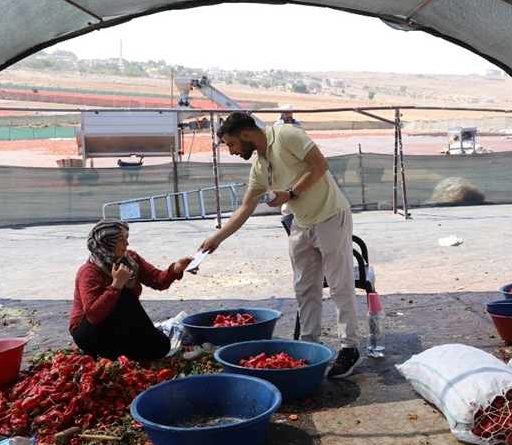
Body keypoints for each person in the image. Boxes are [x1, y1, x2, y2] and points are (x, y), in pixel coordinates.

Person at [200, 112, 362, 378]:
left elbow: (320, 165)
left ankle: (350, 348)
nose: (231, 151)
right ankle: (311, 345)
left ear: (245, 134)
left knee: (340, 286)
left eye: (231, 144)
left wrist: (290, 194)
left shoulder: (286, 134)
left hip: (330, 216)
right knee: (304, 289)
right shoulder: (260, 165)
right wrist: (217, 237)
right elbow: (246, 207)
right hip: (302, 223)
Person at [69, 219, 193, 360]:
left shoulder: (130, 259)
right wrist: (116, 285)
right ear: (106, 243)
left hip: (121, 325)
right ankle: (113, 351)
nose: (126, 243)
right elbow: (93, 314)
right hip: (90, 331)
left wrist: (177, 268)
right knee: (125, 295)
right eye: (120, 240)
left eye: (126, 237)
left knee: (161, 345)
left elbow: (156, 279)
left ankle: (121, 351)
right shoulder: (89, 272)